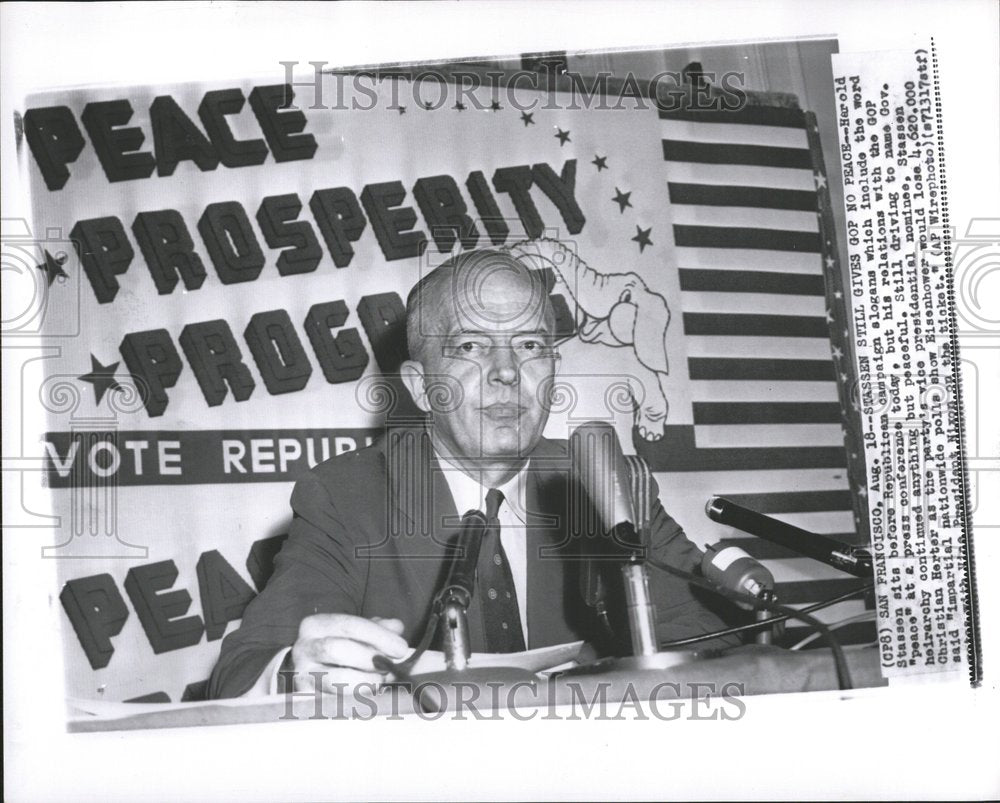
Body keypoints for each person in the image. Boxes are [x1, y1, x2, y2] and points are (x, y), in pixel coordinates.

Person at [207, 248, 735, 699]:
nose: (507, 371)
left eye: (530, 345)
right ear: (419, 387)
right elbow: (241, 673)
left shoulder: (602, 480)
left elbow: (716, 633)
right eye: (470, 347)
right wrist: (298, 674)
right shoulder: (345, 497)